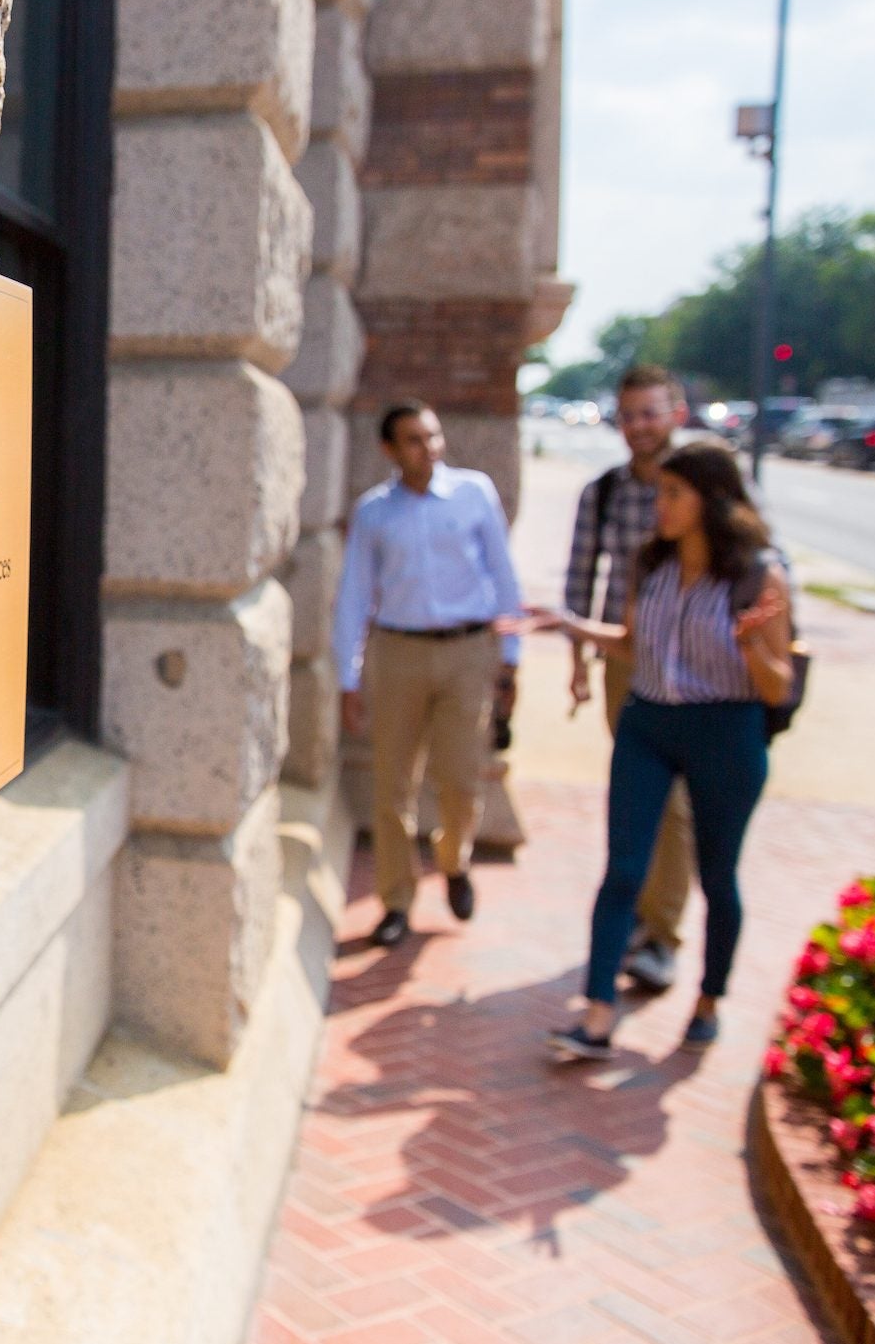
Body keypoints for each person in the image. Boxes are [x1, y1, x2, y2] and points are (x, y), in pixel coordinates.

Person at [520, 440, 795, 1058]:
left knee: (717, 876)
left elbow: (778, 685)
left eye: (673, 494)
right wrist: (568, 624)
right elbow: (633, 643)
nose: (658, 506)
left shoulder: (757, 576)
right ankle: (595, 1016)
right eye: (658, 493)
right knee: (623, 871)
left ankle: (708, 1000)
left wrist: (751, 644)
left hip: (725, 732)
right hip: (648, 724)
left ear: (711, 500)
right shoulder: (652, 565)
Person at [333, 401, 523, 949]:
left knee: (462, 779)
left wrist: (511, 658)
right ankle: (396, 901)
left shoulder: (473, 494)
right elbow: (353, 597)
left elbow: (503, 574)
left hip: (466, 652)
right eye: (414, 440)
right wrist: (349, 677)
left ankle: (453, 858)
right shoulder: (373, 513)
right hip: (397, 652)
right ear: (389, 450)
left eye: (433, 436)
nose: (428, 448)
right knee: (393, 783)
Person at [562, 365, 692, 994]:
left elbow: (761, 557)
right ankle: (644, 921)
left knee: (678, 801)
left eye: (651, 412)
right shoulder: (605, 492)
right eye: (630, 414)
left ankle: (663, 935)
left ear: (677, 413)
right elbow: (580, 577)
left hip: (697, 667)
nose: (640, 425)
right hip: (625, 659)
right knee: (643, 795)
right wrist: (575, 662)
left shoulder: (706, 484)